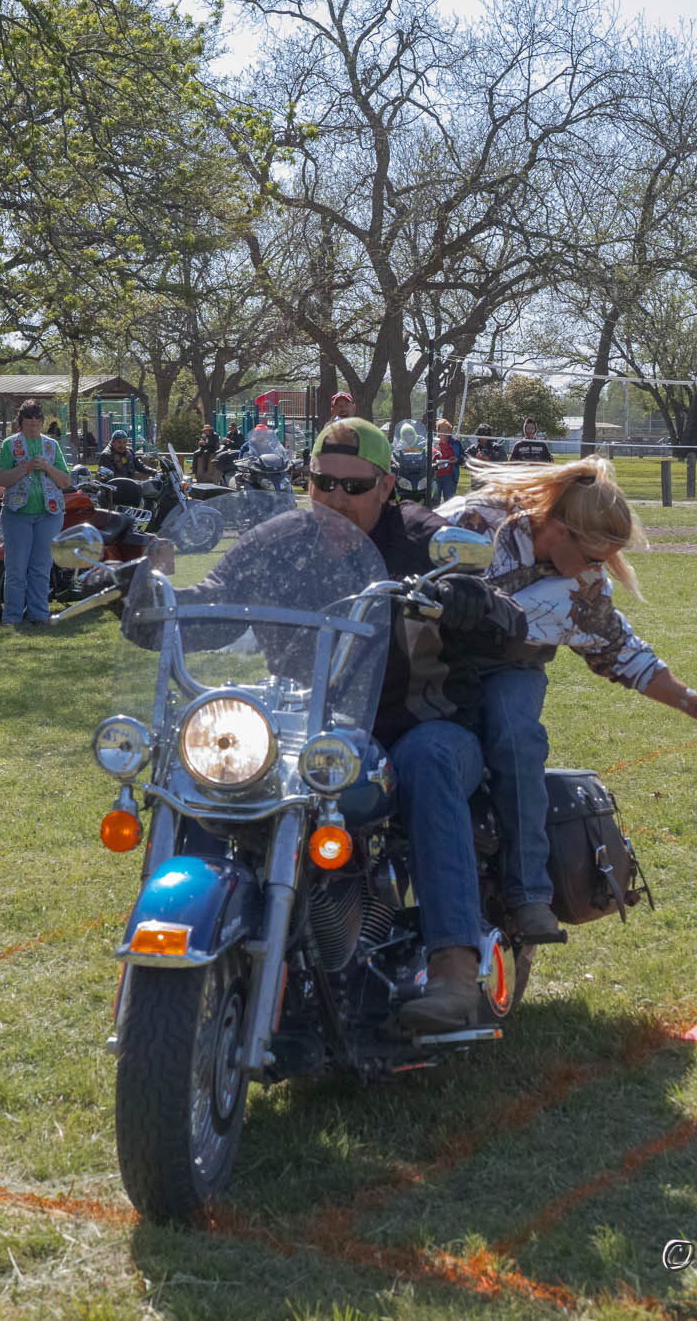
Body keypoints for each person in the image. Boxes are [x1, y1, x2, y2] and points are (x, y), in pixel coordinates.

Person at [151, 417, 529, 1030]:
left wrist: (473, 600)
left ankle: (456, 967)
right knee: (213, 764)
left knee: (427, 762)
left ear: (386, 486)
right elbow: (218, 600)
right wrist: (150, 598)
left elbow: (509, 618)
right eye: (323, 483)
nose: (336, 498)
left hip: (417, 724)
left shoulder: (424, 539)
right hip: (309, 727)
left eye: (354, 487)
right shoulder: (279, 538)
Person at [439, 456, 697, 943]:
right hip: (428, 653)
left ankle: (529, 894)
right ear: (559, 530)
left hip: (511, 664)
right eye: (594, 558)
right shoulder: (473, 522)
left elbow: (624, 653)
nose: (596, 571)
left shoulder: (583, 587)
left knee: (516, 737)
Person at [0, 399, 72, 629]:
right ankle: (12, 617)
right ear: (21, 421)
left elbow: (65, 481)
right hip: (17, 514)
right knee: (16, 567)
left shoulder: (51, 446)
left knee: (41, 566)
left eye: (37, 418)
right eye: (29, 418)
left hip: (49, 514)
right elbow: (0, 479)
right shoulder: (10, 444)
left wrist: (47, 467)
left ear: (43, 421)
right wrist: (25, 467)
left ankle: (39, 614)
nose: (33, 422)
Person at [432, 418, 460, 501]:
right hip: (434, 476)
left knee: (449, 501)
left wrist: (457, 459)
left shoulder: (456, 443)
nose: (444, 432)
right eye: (441, 429)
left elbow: (463, 458)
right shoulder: (432, 443)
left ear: (450, 431)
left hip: (450, 476)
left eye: (446, 430)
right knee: (434, 501)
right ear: (437, 431)